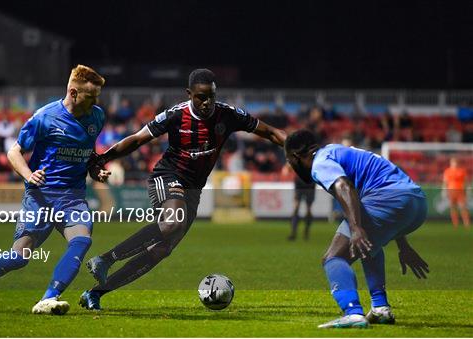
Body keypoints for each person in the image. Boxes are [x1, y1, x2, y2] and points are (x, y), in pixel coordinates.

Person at [79, 68, 286, 310]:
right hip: (167, 176)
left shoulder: (227, 115)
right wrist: (102, 158)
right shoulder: (175, 115)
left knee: (161, 250)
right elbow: (136, 139)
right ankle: (105, 259)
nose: (207, 102)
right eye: (201, 96)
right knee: (173, 222)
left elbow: (270, 132)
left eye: (211, 95)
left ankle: (95, 294)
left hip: (193, 190)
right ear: (189, 94)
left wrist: (297, 149)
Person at [0, 65, 111, 315]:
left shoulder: (97, 116)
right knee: (19, 257)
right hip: (41, 197)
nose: (95, 102)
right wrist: (28, 174)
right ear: (73, 93)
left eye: (97, 97)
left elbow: (87, 153)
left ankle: (49, 298)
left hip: (73, 197)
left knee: (82, 241)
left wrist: (95, 169)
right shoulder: (45, 117)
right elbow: (14, 151)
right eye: (90, 96)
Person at [284, 129, 429, 329]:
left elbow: (345, 186)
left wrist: (356, 227)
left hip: (388, 199)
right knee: (369, 247)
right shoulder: (335, 151)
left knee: (334, 257)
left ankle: (352, 313)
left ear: (296, 156)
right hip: (417, 203)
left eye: (289, 161)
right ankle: (380, 308)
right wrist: (403, 244)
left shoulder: (320, 162)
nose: (291, 166)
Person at [443, 157, 470, 229]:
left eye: (456, 162)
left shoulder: (462, 171)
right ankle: (455, 223)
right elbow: (445, 182)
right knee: (453, 207)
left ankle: (466, 223)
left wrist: (467, 191)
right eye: (453, 162)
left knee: (463, 207)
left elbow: (465, 182)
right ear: (451, 163)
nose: (454, 164)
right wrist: (444, 191)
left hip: (460, 191)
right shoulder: (447, 171)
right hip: (451, 191)